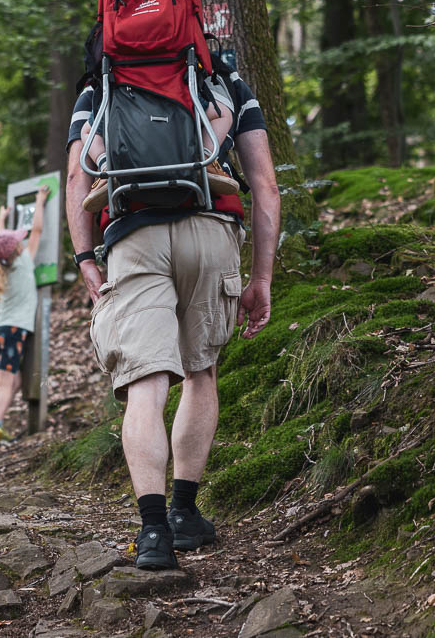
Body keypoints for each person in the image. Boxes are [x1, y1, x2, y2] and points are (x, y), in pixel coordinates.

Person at [65, 68, 279, 570]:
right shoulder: (225, 81)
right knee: (200, 372)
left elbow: (78, 177)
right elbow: (265, 186)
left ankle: (154, 532)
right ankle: (185, 512)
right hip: (210, 224)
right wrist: (262, 278)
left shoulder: (101, 86)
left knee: (145, 380)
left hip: (133, 233)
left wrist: (84, 258)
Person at [79, 72, 238, 213]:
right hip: (175, 87)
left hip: (123, 93)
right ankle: (205, 159)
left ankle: (107, 168)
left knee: (86, 131)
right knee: (223, 114)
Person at [0, 184, 50, 450]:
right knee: (6, 381)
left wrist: (2, 218)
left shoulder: (0, 266)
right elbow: (38, 231)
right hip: (12, 331)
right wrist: (40, 201)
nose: (23, 241)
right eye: (18, 241)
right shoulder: (23, 263)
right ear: (17, 250)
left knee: (15, 379)